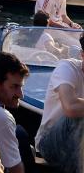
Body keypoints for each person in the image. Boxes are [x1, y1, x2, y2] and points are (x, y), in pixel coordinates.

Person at [35, 32, 84, 173]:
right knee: (78, 117)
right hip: (49, 144)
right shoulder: (67, 68)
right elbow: (71, 107)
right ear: (82, 55)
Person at [0, 52, 34, 173]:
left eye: (21, 87)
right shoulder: (1, 117)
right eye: (14, 86)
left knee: (19, 132)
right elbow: (16, 169)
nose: (21, 95)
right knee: (21, 135)